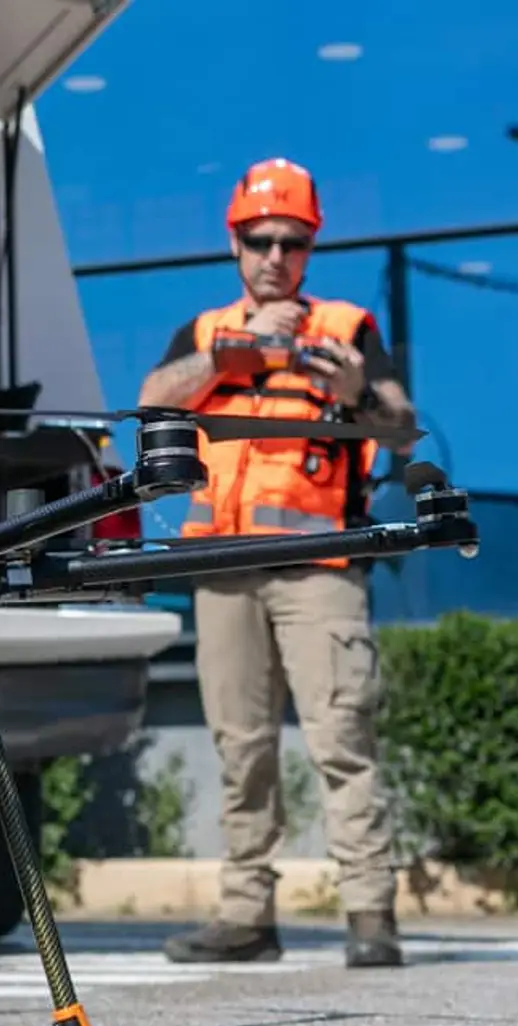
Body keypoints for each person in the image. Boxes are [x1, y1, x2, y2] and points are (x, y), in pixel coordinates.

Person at [136, 157, 418, 968]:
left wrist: (362, 391)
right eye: (260, 240)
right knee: (240, 748)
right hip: (226, 569)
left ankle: (371, 916)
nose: (275, 257)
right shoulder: (205, 334)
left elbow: (400, 428)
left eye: (291, 243)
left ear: (310, 248)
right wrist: (236, 358)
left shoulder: (346, 326)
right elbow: (155, 398)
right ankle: (246, 916)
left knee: (341, 738)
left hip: (319, 569)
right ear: (236, 243)